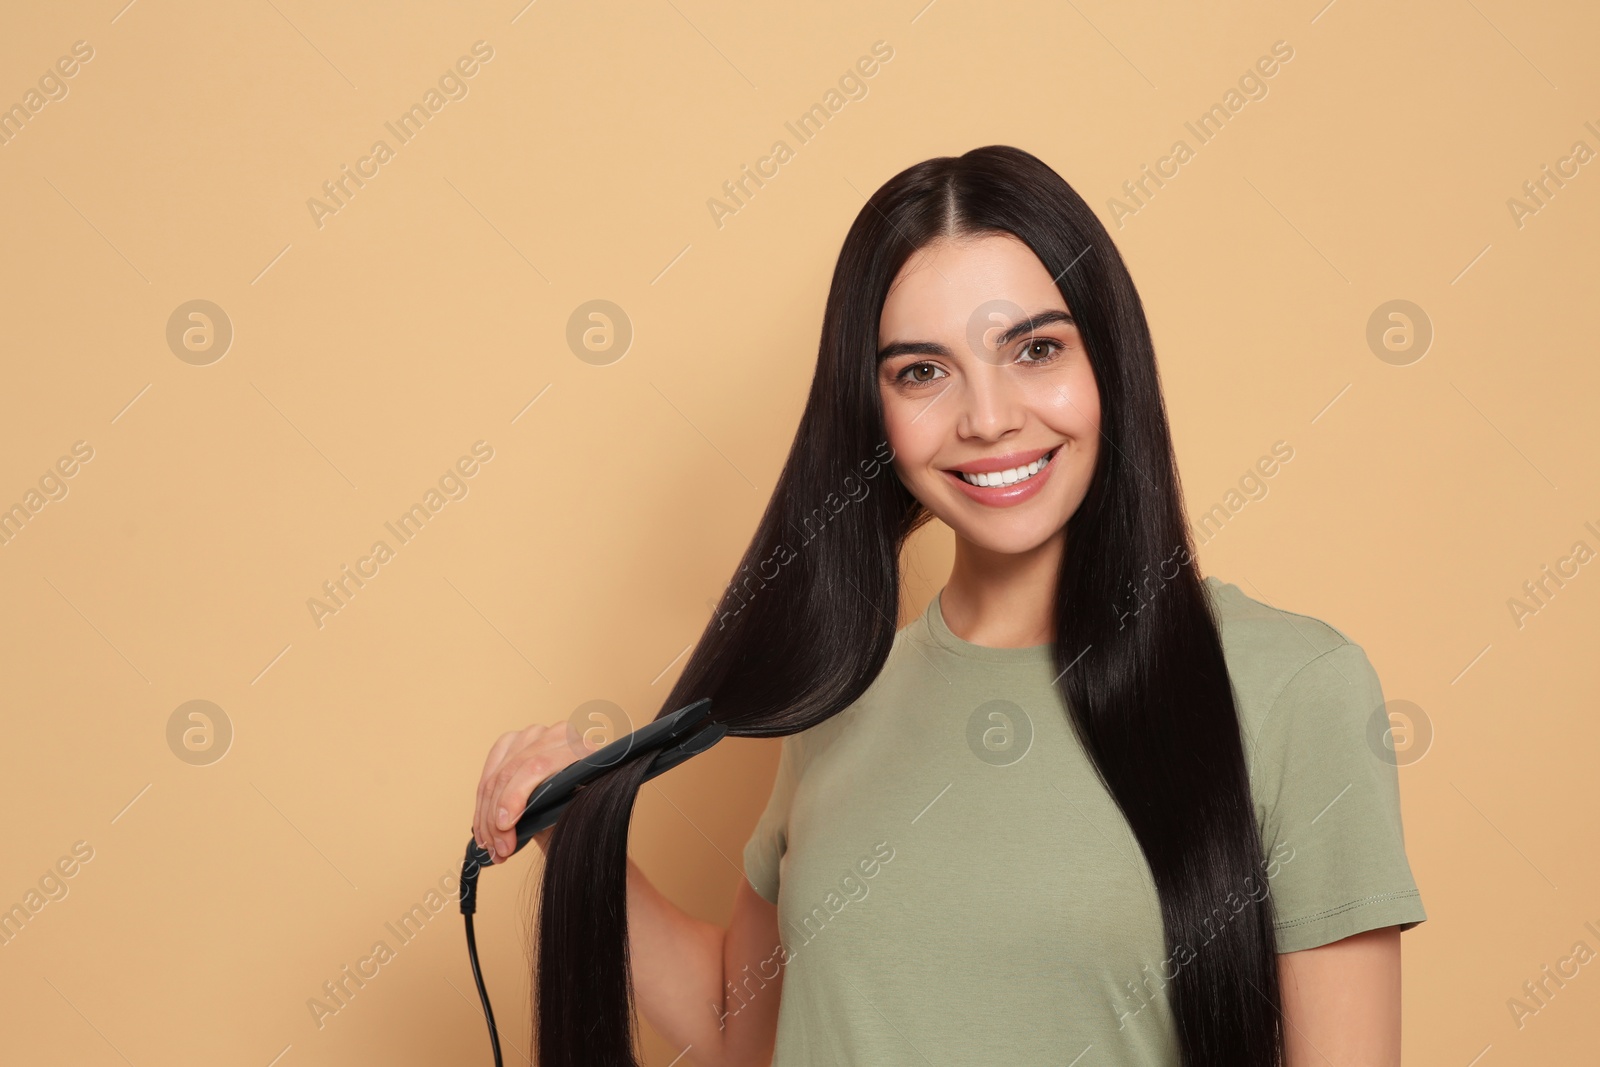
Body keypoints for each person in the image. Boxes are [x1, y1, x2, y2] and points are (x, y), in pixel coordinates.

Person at [471, 145, 1426, 1067]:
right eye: (921, 371)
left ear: (1111, 365)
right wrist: (575, 821)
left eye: (1036, 349)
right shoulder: (840, 692)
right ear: (871, 410)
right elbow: (736, 1023)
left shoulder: (1293, 688)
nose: (988, 416)